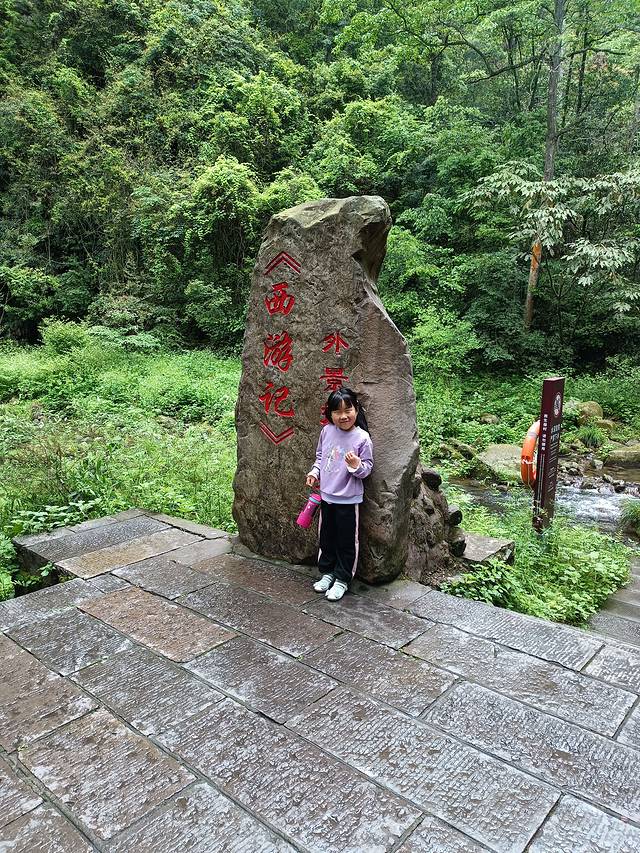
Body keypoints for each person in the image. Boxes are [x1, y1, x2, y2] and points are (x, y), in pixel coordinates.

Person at [305, 387, 373, 601]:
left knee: (346, 541)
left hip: (348, 499)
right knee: (326, 538)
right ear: (330, 413)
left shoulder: (362, 438)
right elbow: (320, 457)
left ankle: (342, 579)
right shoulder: (327, 431)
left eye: (348, 410)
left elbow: (367, 469)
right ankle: (327, 573)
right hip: (327, 497)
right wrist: (314, 472)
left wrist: (356, 465)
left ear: (356, 410)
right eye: (337, 411)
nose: (343, 416)